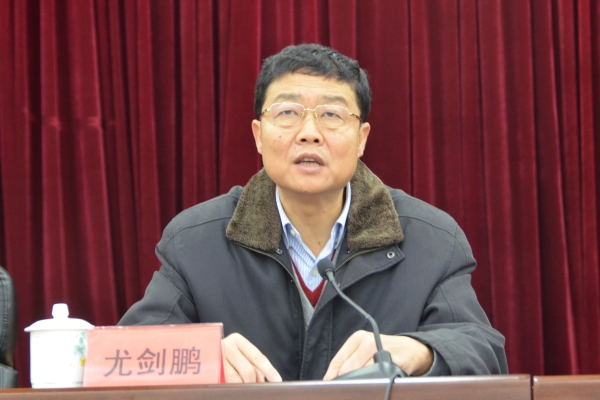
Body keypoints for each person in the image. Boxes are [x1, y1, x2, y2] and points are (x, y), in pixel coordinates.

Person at [119, 43, 508, 382]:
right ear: (258, 134)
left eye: (332, 114)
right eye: (287, 112)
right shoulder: (195, 242)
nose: (309, 132)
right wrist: (202, 356)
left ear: (362, 138)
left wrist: (419, 352)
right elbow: (124, 355)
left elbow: (484, 352)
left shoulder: (431, 240)